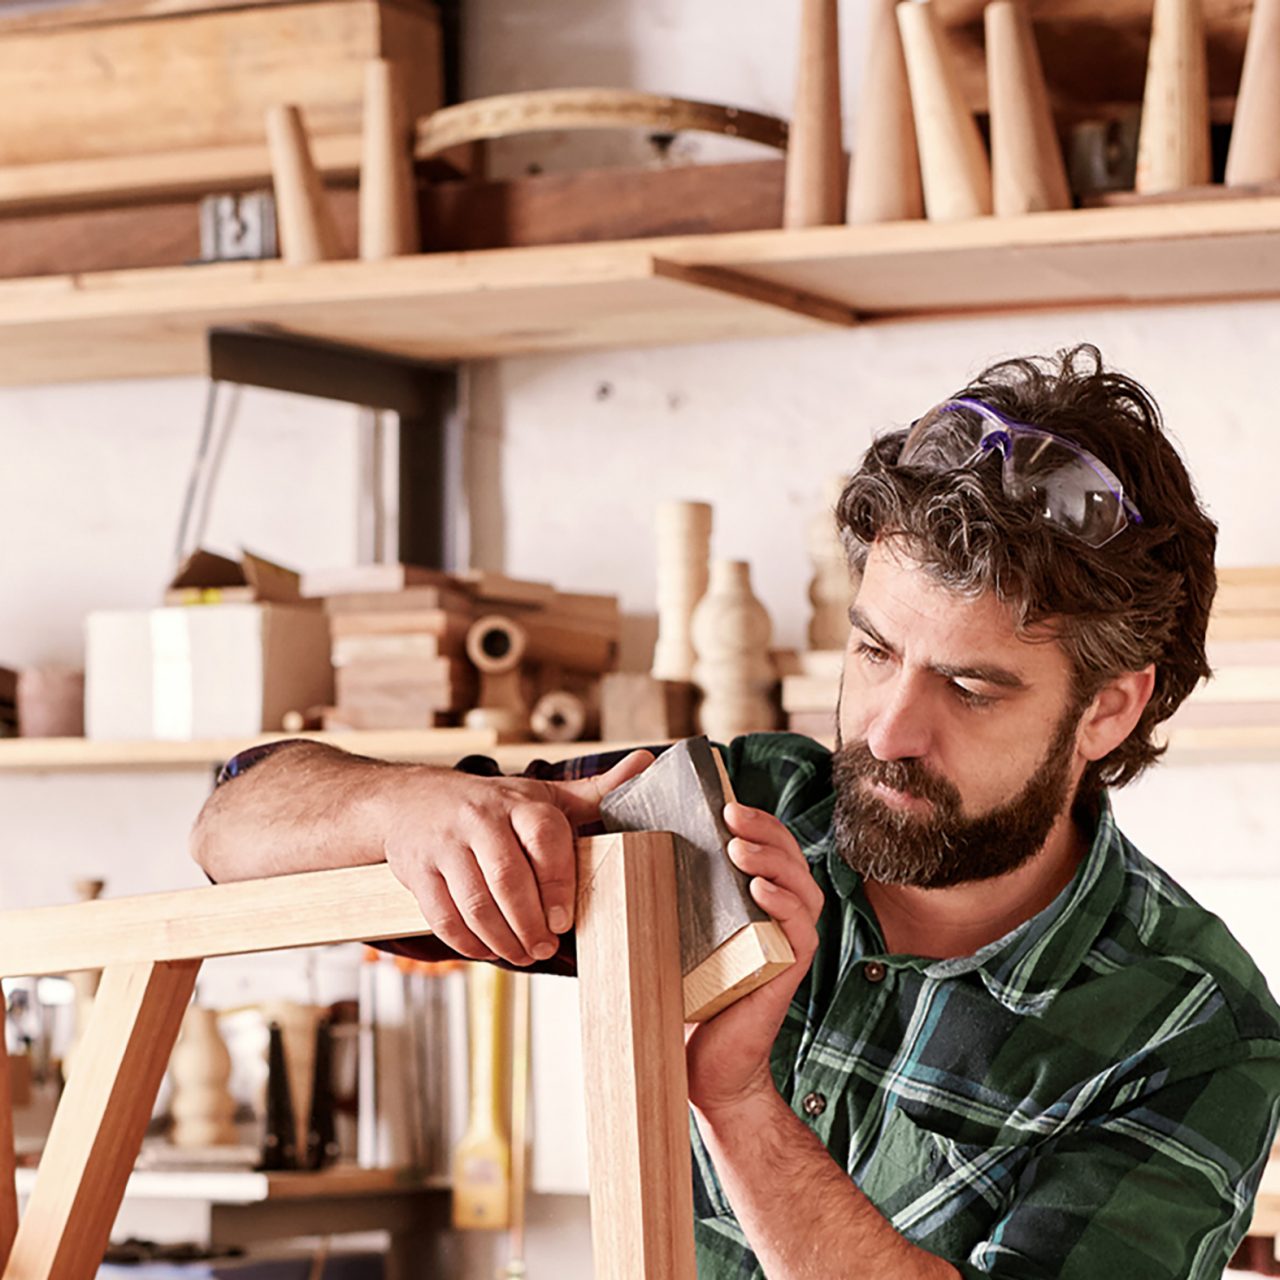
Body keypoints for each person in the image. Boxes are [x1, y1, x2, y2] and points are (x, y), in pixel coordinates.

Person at [192, 345, 1280, 1279]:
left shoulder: (1191, 1033)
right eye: (871, 649)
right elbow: (233, 826)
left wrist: (737, 1101)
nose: (885, 726)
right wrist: (411, 809)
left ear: (1105, 708)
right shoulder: (735, 810)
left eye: (968, 685)